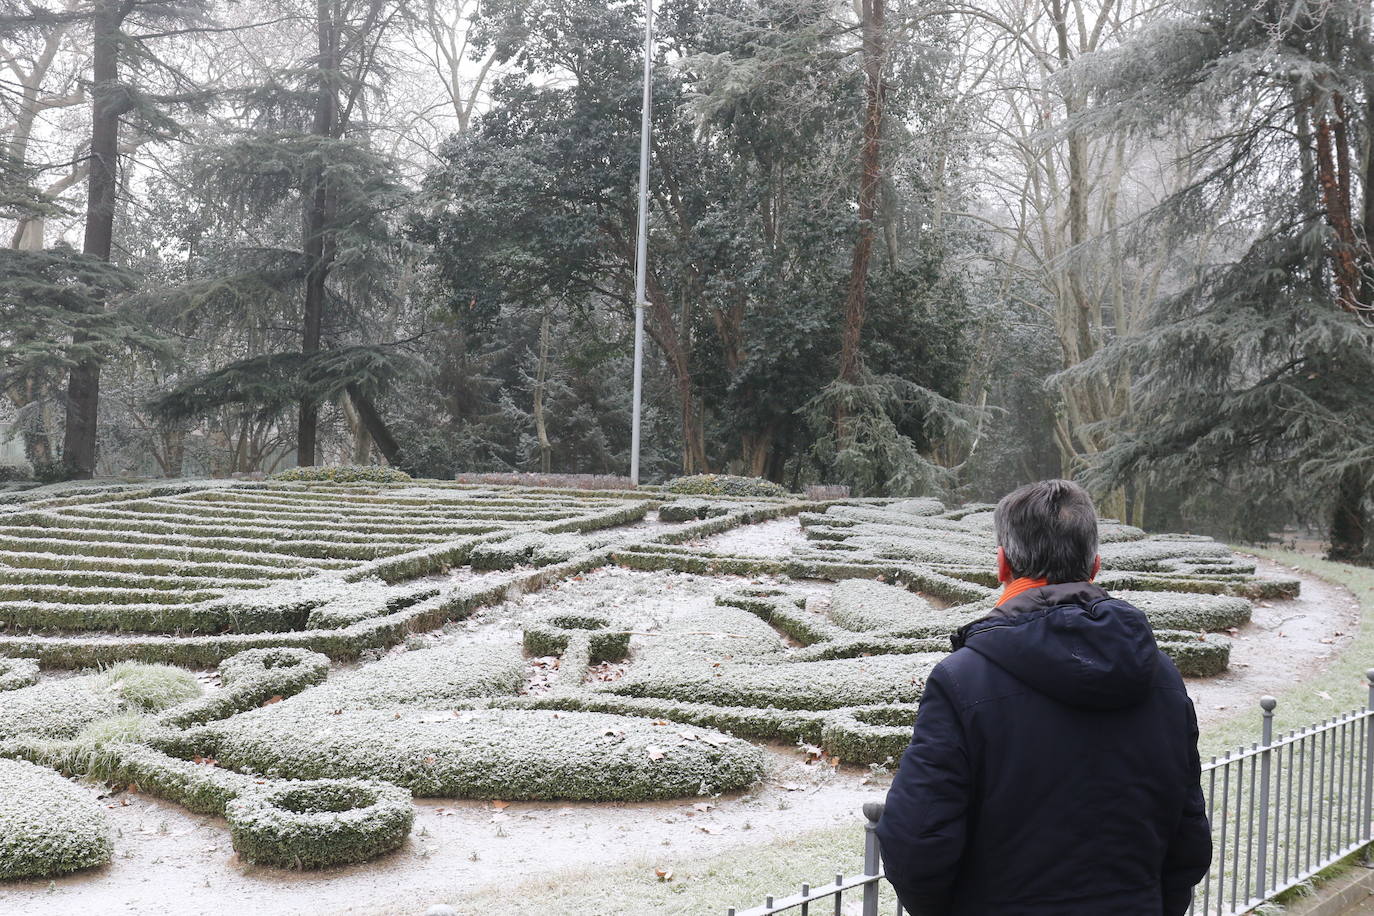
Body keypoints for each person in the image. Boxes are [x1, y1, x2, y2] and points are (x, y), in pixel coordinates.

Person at [876, 479, 1212, 915]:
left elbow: (916, 842)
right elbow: (1188, 834)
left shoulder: (962, 679)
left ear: (1002, 563)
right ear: (1094, 565)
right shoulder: (1162, 675)